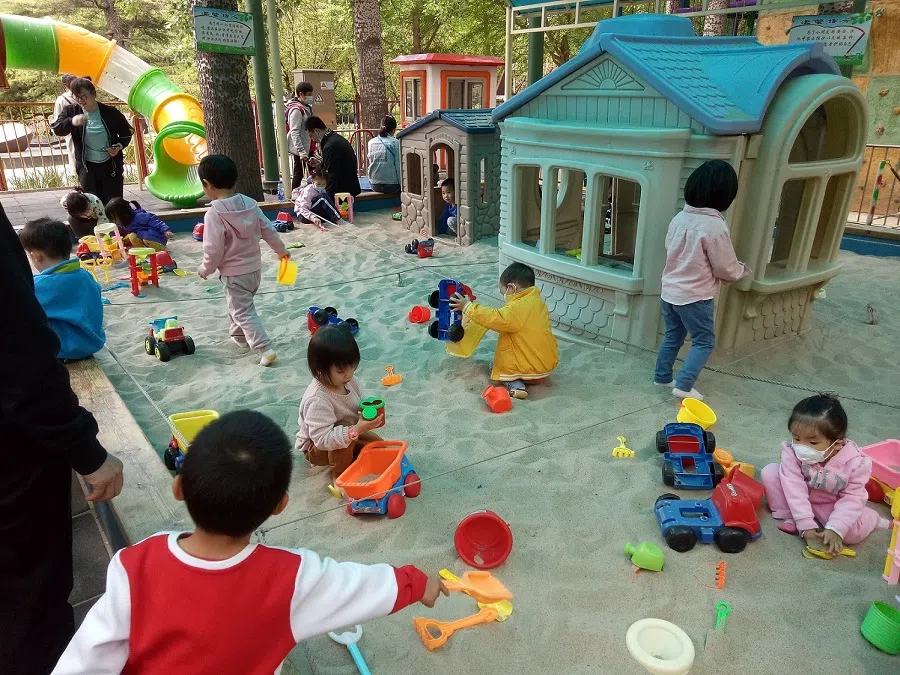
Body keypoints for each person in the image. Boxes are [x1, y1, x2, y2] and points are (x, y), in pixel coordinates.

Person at [51, 410, 446, 674]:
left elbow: (86, 659)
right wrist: (416, 582)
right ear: (280, 506)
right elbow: (360, 585)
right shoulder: (292, 577)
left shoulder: (133, 564)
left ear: (178, 488)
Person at [0, 202, 124, 675]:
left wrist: (81, 445)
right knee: (29, 593)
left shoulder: (46, 282)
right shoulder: (81, 277)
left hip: (47, 370)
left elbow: (22, 341)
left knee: (27, 595)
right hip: (65, 358)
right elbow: (20, 340)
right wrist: (83, 445)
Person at [653, 160, 750, 401]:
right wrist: (740, 271)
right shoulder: (715, 226)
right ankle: (684, 385)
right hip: (695, 297)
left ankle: (662, 376)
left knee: (673, 336)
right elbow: (724, 266)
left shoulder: (679, 218)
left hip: (670, 292)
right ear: (725, 195)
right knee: (704, 341)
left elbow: (670, 248)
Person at [761, 394, 890, 555]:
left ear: (837, 444)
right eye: (796, 438)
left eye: (813, 442)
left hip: (829, 504)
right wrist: (806, 527)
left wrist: (836, 528)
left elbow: (852, 498)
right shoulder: (792, 452)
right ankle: (790, 516)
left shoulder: (856, 464)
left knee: (850, 534)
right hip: (799, 497)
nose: (801, 446)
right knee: (770, 472)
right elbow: (793, 487)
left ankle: (874, 518)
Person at [196, 154, 289, 367]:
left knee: (243, 310)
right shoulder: (250, 204)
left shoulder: (213, 214)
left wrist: (205, 269)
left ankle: (264, 348)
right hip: (255, 271)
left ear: (207, 185)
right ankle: (238, 336)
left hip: (234, 273)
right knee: (239, 304)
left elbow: (213, 249)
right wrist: (281, 251)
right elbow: (268, 230)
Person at [449, 262, 559, 400]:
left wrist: (468, 308)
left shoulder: (518, 307)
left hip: (529, 371)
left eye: (504, 293)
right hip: (545, 368)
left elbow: (497, 318)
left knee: (501, 366)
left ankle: (515, 385)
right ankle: (523, 376)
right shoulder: (537, 302)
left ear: (511, 288)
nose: (505, 298)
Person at [295, 326, 383, 480]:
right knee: (343, 442)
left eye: (353, 366)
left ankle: (353, 454)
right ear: (320, 369)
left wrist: (368, 416)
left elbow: (359, 402)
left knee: (378, 445)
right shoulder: (317, 399)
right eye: (341, 371)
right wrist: (356, 429)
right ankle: (340, 477)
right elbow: (323, 440)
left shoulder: (349, 380)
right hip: (317, 447)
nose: (349, 374)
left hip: (348, 432)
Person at [19, 218, 106, 361]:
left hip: (65, 348)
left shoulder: (40, 284)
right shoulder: (85, 275)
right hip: (91, 342)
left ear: (36, 256)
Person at [51, 77, 133, 206]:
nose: (80, 100)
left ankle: (116, 226)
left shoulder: (110, 112)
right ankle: (96, 226)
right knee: (92, 205)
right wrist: (72, 122)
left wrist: (118, 146)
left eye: (84, 96)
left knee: (114, 205)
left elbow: (126, 133)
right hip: (86, 167)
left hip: (110, 167)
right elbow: (57, 129)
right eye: (76, 97)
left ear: (93, 94)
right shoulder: (71, 111)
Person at [304, 116, 361, 200]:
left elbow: (332, 176)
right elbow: (334, 166)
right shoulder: (334, 139)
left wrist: (325, 199)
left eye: (311, 136)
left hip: (343, 190)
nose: (313, 140)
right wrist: (320, 164)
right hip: (349, 184)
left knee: (312, 184)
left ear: (316, 131)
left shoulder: (331, 146)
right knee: (311, 180)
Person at [105, 198, 173, 251]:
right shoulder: (123, 223)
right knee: (132, 236)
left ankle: (161, 251)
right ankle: (143, 252)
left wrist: (166, 230)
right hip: (145, 237)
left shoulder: (139, 217)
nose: (113, 221)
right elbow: (119, 234)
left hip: (158, 238)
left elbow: (155, 221)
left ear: (123, 215)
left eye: (114, 219)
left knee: (146, 239)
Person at [286, 81, 314, 190]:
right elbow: (295, 131)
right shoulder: (297, 110)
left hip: (308, 145)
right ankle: (294, 194)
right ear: (301, 94)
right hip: (301, 148)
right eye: (309, 95)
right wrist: (301, 151)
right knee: (299, 173)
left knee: (313, 172)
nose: (311, 97)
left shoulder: (307, 107)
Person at [367, 115, 401, 194]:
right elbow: (398, 166)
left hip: (374, 184)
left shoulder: (371, 142)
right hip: (392, 186)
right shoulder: (395, 143)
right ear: (393, 130)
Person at [54, 74, 78, 175]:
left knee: (74, 155)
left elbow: (57, 122)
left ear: (64, 86)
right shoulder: (85, 95)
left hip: (71, 132)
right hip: (88, 129)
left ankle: (77, 179)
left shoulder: (61, 99)